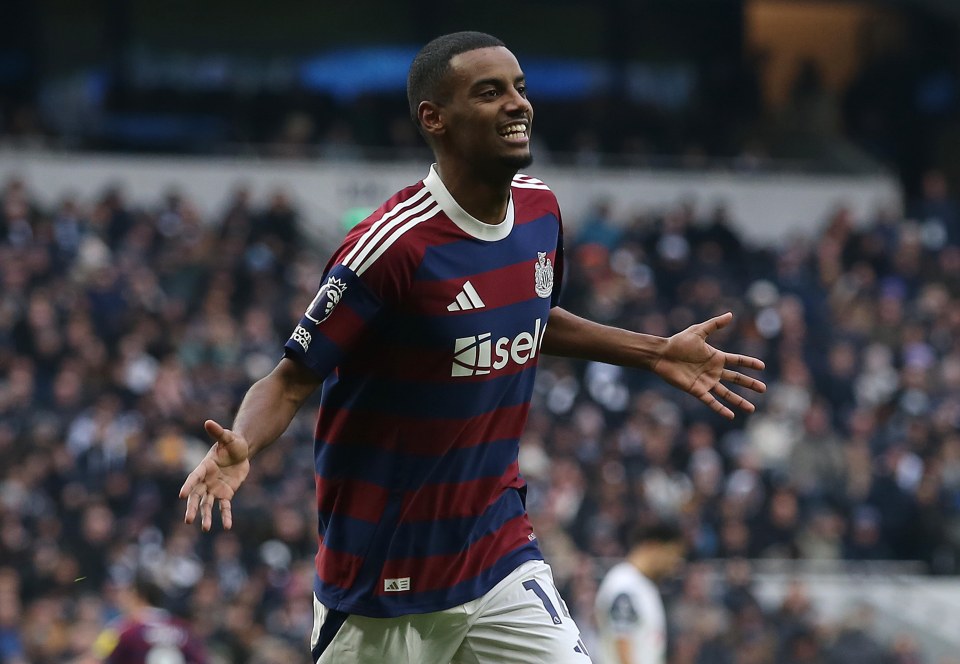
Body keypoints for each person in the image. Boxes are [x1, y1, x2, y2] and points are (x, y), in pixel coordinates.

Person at [178, 31, 765, 664]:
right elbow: (290, 379)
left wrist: (653, 352)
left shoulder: (540, 211)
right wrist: (244, 444)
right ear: (435, 118)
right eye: (489, 93)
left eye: (520, 88)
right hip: (383, 579)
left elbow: (531, 314)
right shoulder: (391, 250)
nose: (517, 104)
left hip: (497, 554)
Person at [594, 522, 686, 664]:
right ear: (654, 547)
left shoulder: (645, 586)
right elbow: (622, 644)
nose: (674, 565)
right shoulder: (624, 584)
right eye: (672, 555)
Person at [92, 572, 208, 663]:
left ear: (138, 597)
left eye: (126, 594)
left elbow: (98, 658)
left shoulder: (122, 629)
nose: (121, 599)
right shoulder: (183, 629)